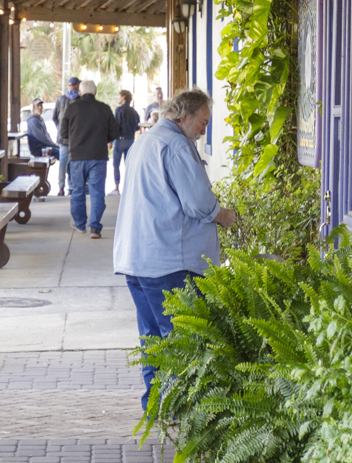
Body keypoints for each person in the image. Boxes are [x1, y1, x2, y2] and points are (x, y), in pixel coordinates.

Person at [112, 87, 238, 408]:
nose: (204, 130)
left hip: (138, 260)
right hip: (169, 262)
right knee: (181, 341)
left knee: (153, 340)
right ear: (184, 116)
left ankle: (157, 406)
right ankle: (182, 410)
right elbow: (198, 203)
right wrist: (223, 216)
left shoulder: (146, 141)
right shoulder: (176, 145)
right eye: (203, 123)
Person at [63, 79, 118, 238]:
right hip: (98, 157)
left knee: (78, 191)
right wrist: (103, 137)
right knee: (97, 192)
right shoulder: (104, 109)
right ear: (95, 92)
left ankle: (80, 224)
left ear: (80, 93)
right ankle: (95, 227)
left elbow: (63, 134)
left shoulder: (71, 108)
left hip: (77, 157)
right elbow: (114, 133)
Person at [51, 75, 81, 195]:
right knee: (74, 162)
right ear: (77, 86)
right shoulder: (79, 100)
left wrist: (60, 129)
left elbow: (54, 117)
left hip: (62, 138)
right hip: (76, 138)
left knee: (63, 163)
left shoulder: (60, 99)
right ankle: (73, 186)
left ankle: (61, 187)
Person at [111, 87, 141, 191]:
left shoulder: (118, 110)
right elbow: (137, 126)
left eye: (119, 96)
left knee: (116, 164)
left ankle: (117, 186)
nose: (117, 98)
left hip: (119, 140)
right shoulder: (134, 112)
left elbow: (115, 125)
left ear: (123, 97)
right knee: (129, 164)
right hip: (130, 140)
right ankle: (129, 186)